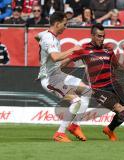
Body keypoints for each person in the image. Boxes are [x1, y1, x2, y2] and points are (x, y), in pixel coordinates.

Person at [66, 23, 124, 141]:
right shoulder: (84, 49)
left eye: (103, 36)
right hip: (99, 89)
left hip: (113, 84)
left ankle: (109, 129)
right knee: (119, 109)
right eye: (99, 36)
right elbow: (67, 59)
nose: (102, 39)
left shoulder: (108, 50)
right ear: (92, 36)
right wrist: (54, 73)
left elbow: (118, 66)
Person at [35, 11, 90, 142]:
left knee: (87, 91)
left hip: (58, 74)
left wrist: (41, 45)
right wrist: (73, 49)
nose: (66, 27)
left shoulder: (45, 35)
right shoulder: (49, 38)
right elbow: (55, 57)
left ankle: (75, 126)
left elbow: (37, 37)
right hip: (50, 79)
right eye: (65, 24)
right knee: (76, 101)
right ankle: (60, 133)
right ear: (57, 24)